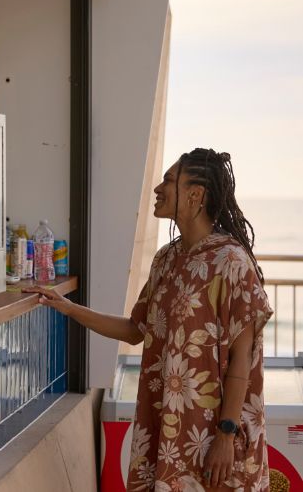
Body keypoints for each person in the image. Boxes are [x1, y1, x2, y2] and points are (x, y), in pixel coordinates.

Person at [33, 149, 272, 491]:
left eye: (169, 181)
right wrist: (69, 308)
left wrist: (226, 433)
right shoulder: (166, 259)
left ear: (196, 195)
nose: (158, 188)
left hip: (215, 435)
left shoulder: (231, 262)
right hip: (169, 431)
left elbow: (242, 357)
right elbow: (135, 330)